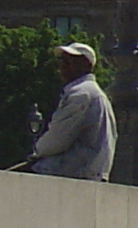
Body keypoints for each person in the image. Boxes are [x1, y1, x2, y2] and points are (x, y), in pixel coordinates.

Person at [21, 42, 115, 180]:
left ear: (86, 65)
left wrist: (37, 152)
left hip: (73, 170)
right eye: (61, 61)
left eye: (69, 61)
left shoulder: (81, 94)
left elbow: (57, 139)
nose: (62, 66)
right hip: (92, 171)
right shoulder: (97, 94)